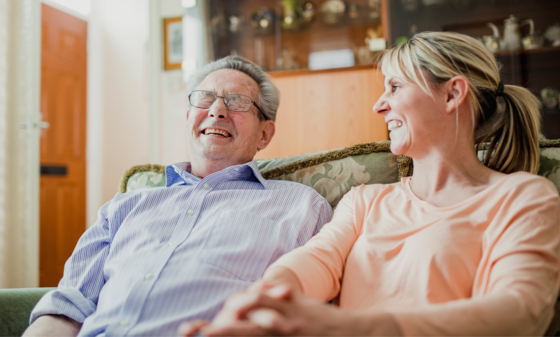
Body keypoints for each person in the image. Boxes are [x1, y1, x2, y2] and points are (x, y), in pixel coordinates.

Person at [181, 32, 560, 336]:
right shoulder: (366, 199)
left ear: (452, 94)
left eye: (395, 87)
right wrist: (261, 303)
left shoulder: (521, 197)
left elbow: (520, 313)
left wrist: (348, 329)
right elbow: (316, 261)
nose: (379, 105)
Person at [24, 56, 333, 337]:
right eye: (205, 99)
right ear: (189, 118)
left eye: (237, 101)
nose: (216, 111)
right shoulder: (124, 206)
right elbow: (67, 307)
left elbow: (314, 316)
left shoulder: (302, 207)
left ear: (264, 134)